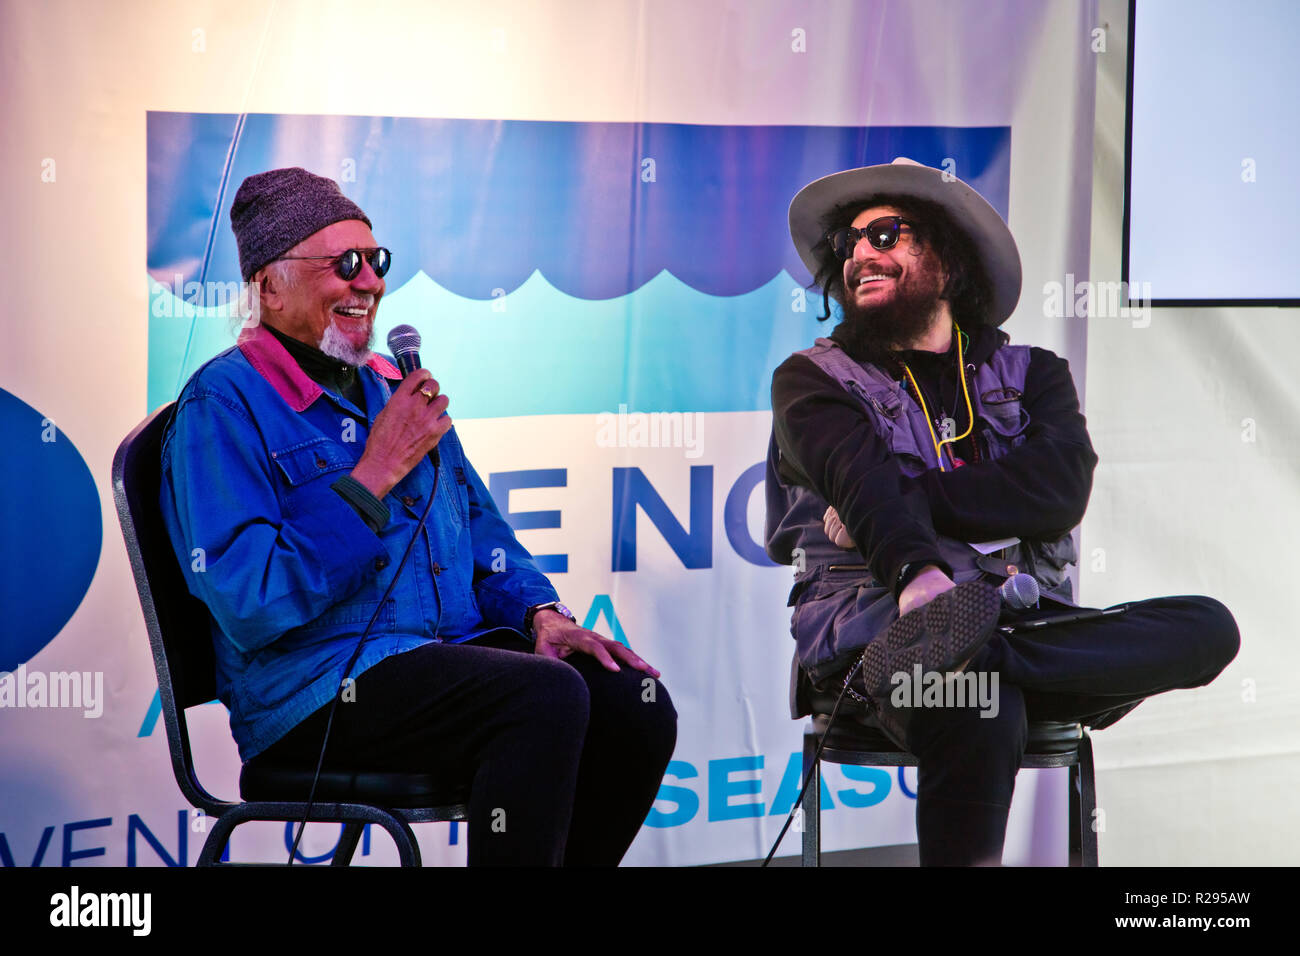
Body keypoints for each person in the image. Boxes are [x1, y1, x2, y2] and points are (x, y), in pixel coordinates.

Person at [159, 166, 676, 866]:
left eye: (376, 262)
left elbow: (482, 531)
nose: (368, 282)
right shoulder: (222, 405)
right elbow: (250, 600)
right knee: (540, 698)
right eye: (344, 264)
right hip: (313, 693)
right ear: (270, 286)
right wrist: (371, 477)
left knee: (633, 702)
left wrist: (538, 616)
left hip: (435, 659)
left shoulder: (396, 388)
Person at [765, 157, 1239, 865]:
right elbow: (860, 481)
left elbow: (1057, 491)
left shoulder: (1035, 373)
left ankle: (987, 649)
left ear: (948, 265)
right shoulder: (811, 380)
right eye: (849, 243)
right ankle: (967, 653)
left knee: (1207, 627)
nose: (859, 253)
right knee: (980, 704)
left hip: (1022, 624)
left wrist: (912, 498)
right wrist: (919, 574)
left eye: (887, 234)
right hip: (877, 635)